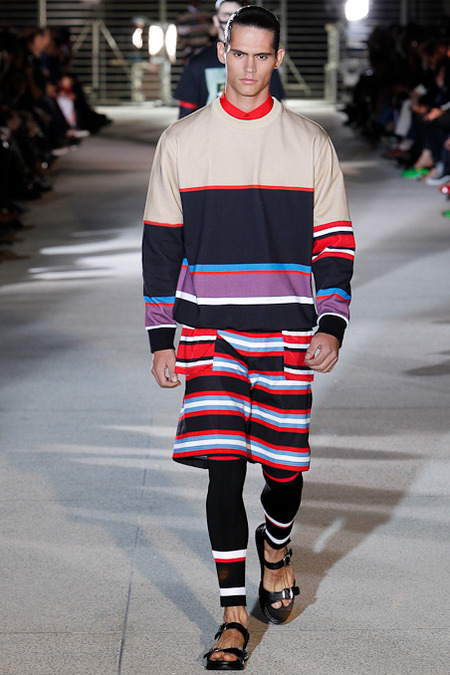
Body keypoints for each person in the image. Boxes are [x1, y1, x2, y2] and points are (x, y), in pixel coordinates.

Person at [142, 5, 354, 670]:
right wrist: (161, 334)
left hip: (286, 332)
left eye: (263, 56)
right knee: (224, 468)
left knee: (283, 475)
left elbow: (334, 240)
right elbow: (160, 242)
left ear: (278, 58)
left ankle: (277, 544)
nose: (250, 68)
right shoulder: (182, 141)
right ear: (222, 52)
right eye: (240, 54)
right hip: (210, 332)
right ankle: (233, 615)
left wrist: (332, 320)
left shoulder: (310, 143)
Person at [174, 0, 285, 118]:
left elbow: (276, 109)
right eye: (225, 15)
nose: (230, 19)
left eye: (234, 14)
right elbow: (186, 114)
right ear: (215, 20)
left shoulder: (264, 61)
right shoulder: (197, 63)